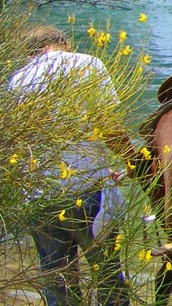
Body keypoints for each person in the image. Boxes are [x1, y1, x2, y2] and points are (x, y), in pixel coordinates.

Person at [9, 25, 129, 306]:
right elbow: (110, 129)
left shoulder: (18, 80)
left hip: (42, 196)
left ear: (31, 53)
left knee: (57, 280)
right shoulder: (89, 65)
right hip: (90, 191)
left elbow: (19, 147)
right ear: (66, 44)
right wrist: (134, 163)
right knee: (109, 277)